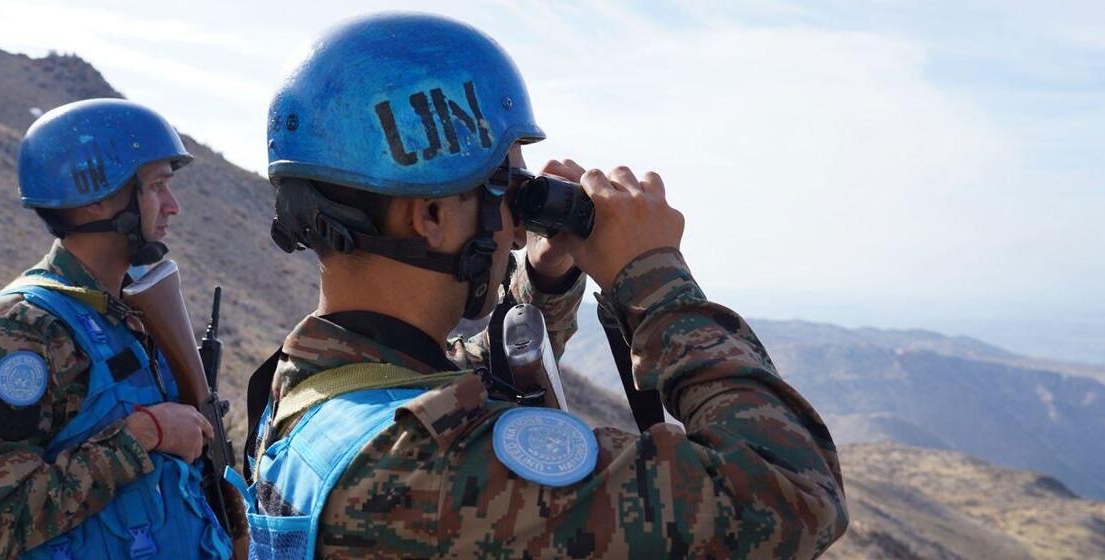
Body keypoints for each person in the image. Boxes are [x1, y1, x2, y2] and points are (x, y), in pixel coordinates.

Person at [238, 13, 848, 559]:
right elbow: (795, 492)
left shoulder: (306, 389)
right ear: (429, 216)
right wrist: (654, 279)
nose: (513, 223)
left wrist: (544, 279)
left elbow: (464, 384)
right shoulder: (429, 474)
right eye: (505, 188)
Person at [0, 98, 238, 559]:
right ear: (98, 195)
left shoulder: (132, 313)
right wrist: (143, 436)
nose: (173, 206)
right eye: (158, 186)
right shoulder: (17, 330)